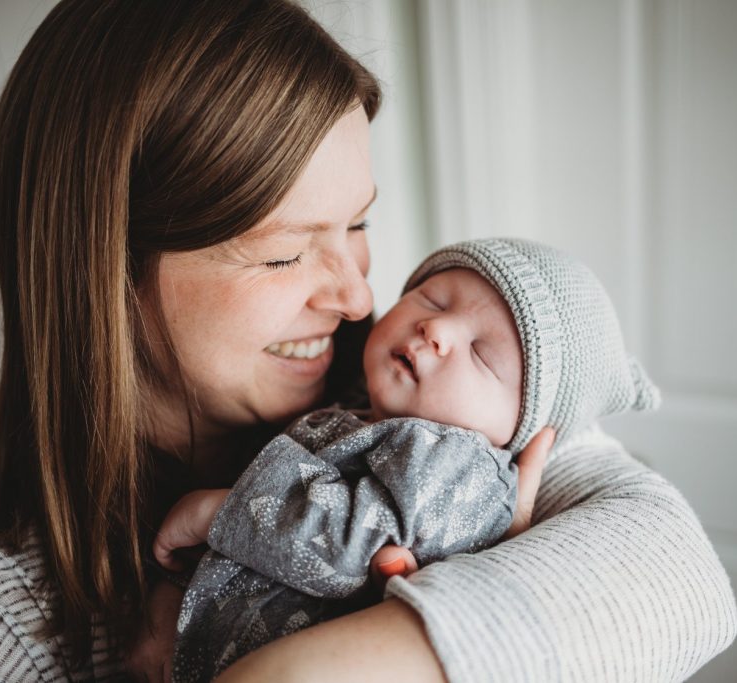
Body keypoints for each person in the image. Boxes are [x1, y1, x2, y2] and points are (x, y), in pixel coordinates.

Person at [0, 1, 737, 682]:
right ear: (100, 265)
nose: (358, 297)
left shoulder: (418, 388)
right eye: (284, 253)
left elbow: (678, 572)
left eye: (358, 224)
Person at [152, 238, 663, 683]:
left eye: (482, 353)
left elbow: (350, 545)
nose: (436, 328)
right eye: (432, 299)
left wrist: (219, 511)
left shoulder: (461, 468)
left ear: (517, 429)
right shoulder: (362, 408)